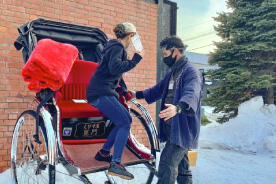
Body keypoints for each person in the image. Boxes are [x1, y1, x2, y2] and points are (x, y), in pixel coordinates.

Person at [131, 36, 202, 184]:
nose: (164, 58)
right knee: (182, 168)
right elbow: (157, 90)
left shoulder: (191, 72)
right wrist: (135, 95)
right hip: (171, 127)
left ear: (175, 51)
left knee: (167, 163)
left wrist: (178, 107)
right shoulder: (172, 73)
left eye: (165, 54)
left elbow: (192, 93)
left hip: (183, 129)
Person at [86, 22, 144, 180]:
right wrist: (136, 59)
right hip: (100, 92)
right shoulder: (117, 47)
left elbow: (111, 75)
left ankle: (104, 152)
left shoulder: (114, 47)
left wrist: (121, 90)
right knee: (125, 121)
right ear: (131, 36)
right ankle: (116, 163)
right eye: (135, 36)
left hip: (102, 90)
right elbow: (115, 68)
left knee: (124, 120)